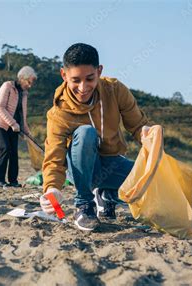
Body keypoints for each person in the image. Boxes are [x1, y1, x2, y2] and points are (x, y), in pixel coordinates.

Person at [39, 43, 151, 231]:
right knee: (85, 132)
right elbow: (54, 157)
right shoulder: (58, 113)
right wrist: (52, 188)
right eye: (75, 80)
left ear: (99, 71)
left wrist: (149, 134)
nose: (83, 88)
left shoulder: (115, 90)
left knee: (148, 181)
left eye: (89, 78)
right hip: (80, 171)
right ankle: (84, 205)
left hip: (112, 163)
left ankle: (107, 194)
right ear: (63, 75)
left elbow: (138, 125)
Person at [0, 66, 37, 188]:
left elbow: (22, 114)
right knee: (4, 148)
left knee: (14, 152)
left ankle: (13, 181)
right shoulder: (7, 86)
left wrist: (26, 130)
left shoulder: (24, 94)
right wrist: (13, 124)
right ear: (22, 78)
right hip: (0, 123)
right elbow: (0, 107)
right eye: (29, 82)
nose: (30, 86)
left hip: (14, 125)